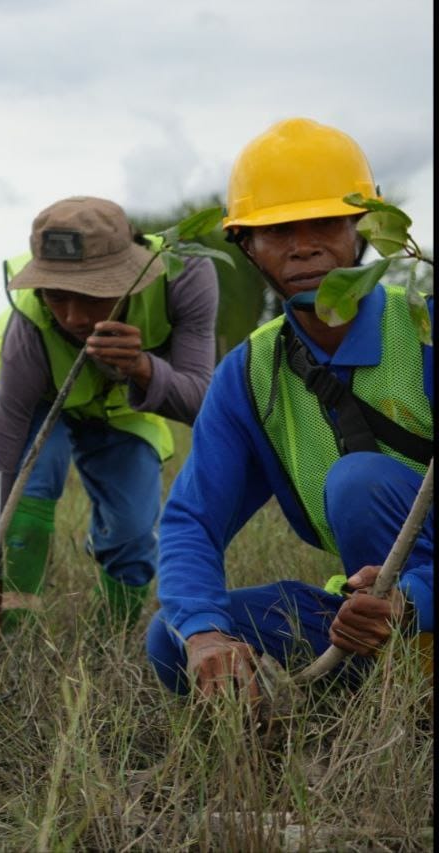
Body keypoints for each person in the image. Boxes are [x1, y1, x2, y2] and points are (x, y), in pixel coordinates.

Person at [146, 117, 433, 700]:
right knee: (171, 640)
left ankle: (408, 683)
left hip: (415, 601)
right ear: (247, 246)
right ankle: (383, 676)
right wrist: (204, 635)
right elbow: (192, 522)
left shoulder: (424, 331)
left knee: (360, 482)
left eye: (324, 222)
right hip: (372, 616)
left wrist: (413, 600)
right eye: (277, 230)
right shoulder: (249, 375)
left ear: (363, 230)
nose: (302, 246)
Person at [0, 197, 219, 636]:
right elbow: (2, 459)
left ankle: (111, 634)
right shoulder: (30, 328)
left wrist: (143, 368)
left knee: (131, 530)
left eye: (91, 295)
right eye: (56, 295)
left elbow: (202, 401)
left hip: (124, 399)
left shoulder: (183, 280)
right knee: (25, 505)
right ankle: (13, 630)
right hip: (43, 396)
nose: (72, 316)